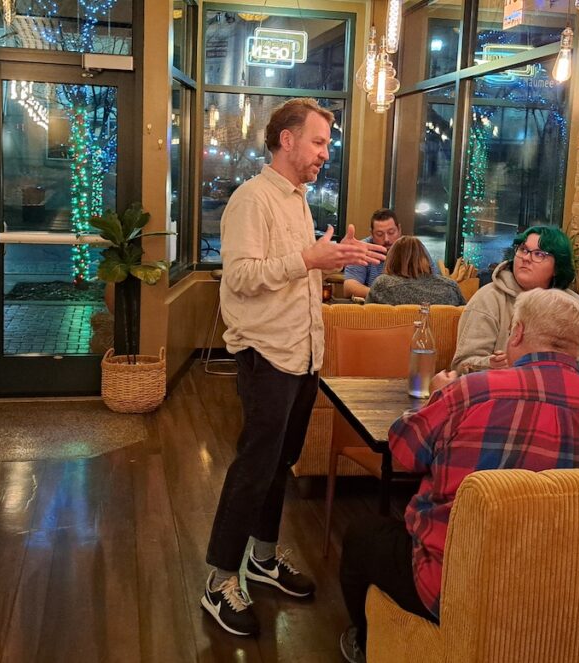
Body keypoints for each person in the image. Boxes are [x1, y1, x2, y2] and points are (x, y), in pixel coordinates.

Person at [337, 288, 579, 662]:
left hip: (458, 587)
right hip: (571, 595)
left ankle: (363, 644)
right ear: (576, 347)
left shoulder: (472, 392)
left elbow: (404, 452)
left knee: (362, 536)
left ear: (515, 334)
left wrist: (439, 395)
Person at [202, 98, 386, 638]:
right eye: (318, 142)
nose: (324, 154)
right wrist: (310, 259)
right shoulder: (251, 200)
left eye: (326, 145)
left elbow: (290, 275)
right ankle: (218, 581)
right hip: (266, 356)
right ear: (286, 139)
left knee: (280, 464)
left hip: (303, 355)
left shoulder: (300, 203)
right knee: (253, 468)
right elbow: (238, 277)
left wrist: (332, 260)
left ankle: (261, 558)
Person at [452, 225, 579, 378]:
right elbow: (461, 365)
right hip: (502, 394)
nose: (526, 258)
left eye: (539, 254)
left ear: (557, 267)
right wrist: (490, 364)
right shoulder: (489, 298)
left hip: (558, 395)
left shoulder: (574, 307)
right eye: (523, 249)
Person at [343, 209, 439, 299]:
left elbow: (435, 281)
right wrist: (386, 296)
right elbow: (349, 287)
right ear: (371, 233)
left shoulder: (414, 247)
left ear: (399, 229)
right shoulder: (363, 249)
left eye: (391, 232)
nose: (386, 239)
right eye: (379, 234)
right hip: (375, 308)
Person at [364, 236, 464, 306]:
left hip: (391, 336)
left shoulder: (382, 285)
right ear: (425, 258)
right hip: (440, 336)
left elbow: (367, 319)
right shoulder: (451, 287)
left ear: (392, 259)